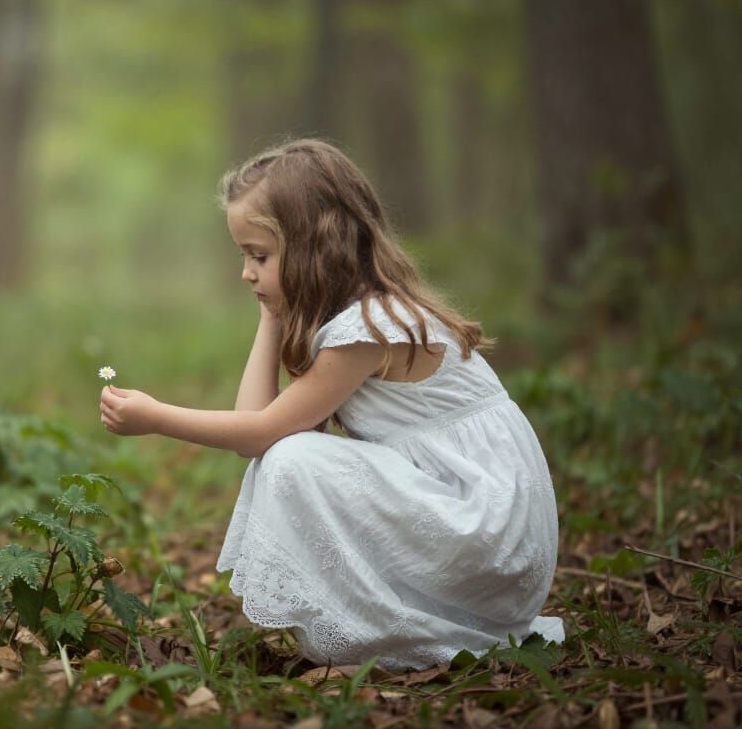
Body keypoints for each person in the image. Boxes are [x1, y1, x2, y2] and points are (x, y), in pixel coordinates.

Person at [98, 138, 564, 671]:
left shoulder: (370, 327)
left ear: (314, 248)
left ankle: (381, 630)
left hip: (487, 529)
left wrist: (156, 417)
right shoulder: (344, 321)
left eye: (260, 256)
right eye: (245, 256)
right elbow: (258, 423)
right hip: (460, 510)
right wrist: (271, 315)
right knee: (286, 453)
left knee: (292, 459)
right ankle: (375, 619)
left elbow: (258, 433)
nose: (246, 273)